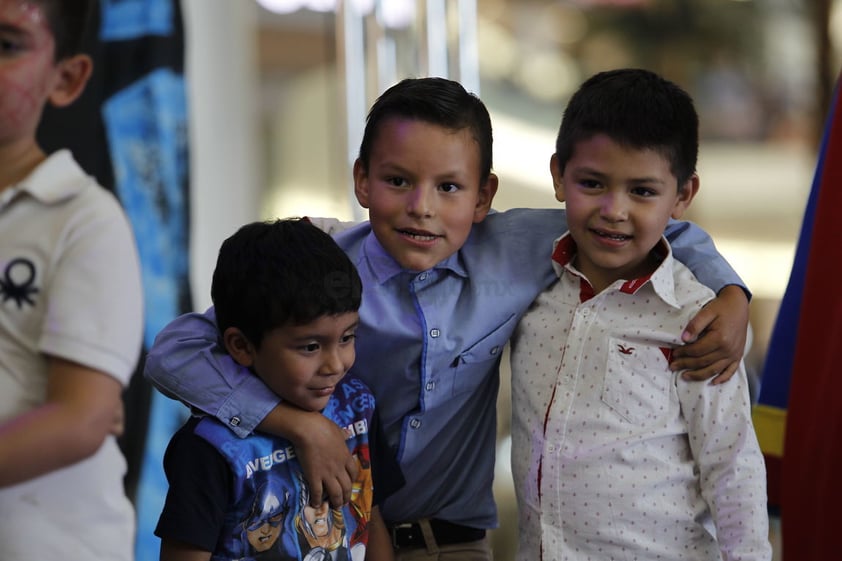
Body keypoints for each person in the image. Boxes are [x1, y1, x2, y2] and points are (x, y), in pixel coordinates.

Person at [145, 77, 751, 560]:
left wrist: (732, 292)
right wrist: (302, 426)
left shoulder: (519, 247)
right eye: (398, 181)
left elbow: (657, 222)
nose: (422, 208)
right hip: (324, 536)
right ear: (361, 180)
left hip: (456, 544)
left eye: (450, 188)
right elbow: (173, 351)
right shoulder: (323, 267)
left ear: (484, 196)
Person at [509, 68, 770, 560]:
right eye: (592, 183)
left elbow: (732, 467)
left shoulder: (697, 321)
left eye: (642, 192)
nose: (614, 209)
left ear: (683, 195)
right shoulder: (530, 292)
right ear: (558, 176)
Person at [154, 218, 399, 561]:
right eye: (310, 347)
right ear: (241, 346)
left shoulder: (358, 407)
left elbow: (370, 521)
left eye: (346, 338)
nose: (335, 364)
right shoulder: (210, 447)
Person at [0, 0, 143, 559]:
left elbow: (80, 419)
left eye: (7, 44)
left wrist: (80, 410)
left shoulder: (82, 217)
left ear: (66, 77)